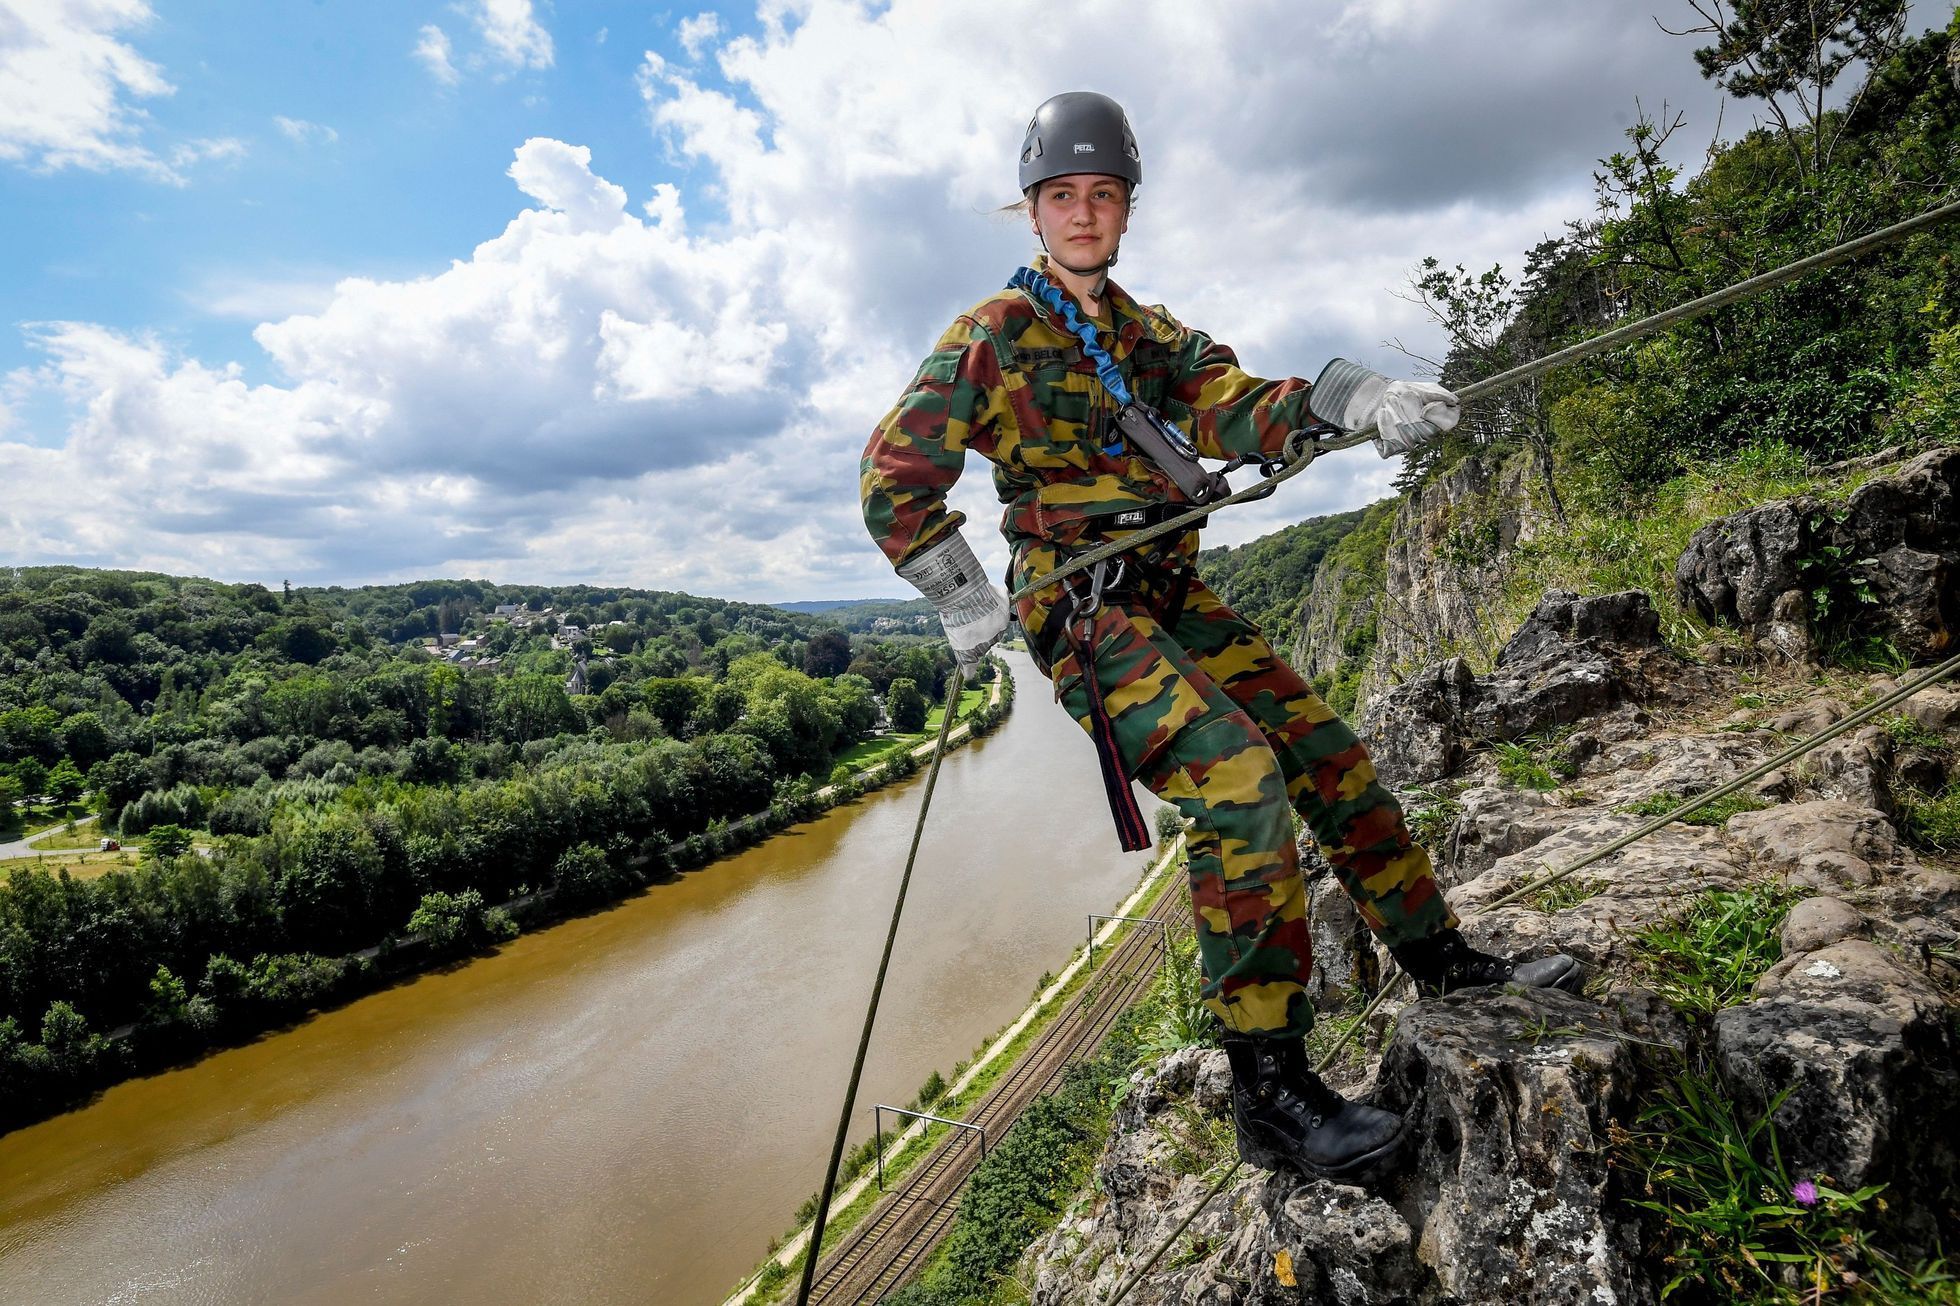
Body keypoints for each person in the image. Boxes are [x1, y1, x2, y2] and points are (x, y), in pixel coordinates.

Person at [859, 91, 1580, 1183]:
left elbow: (1233, 404)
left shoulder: (1148, 336)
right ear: (1032, 211)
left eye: (1103, 194)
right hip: (1085, 609)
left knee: (1325, 753)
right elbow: (893, 477)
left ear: (1125, 209)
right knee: (1237, 781)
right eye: (1063, 196)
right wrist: (960, 590)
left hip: (1166, 591)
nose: (1084, 212)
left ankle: (1445, 964)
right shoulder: (992, 337)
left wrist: (1358, 400)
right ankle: (1269, 1089)